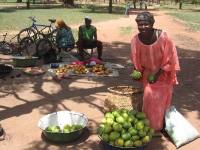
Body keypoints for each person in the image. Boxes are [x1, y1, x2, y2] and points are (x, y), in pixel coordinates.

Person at [131, 12, 180, 133]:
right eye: (140, 24)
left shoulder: (163, 37)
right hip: (148, 76)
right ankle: (152, 127)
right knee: (148, 100)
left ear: (152, 24)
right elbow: (135, 57)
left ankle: (161, 125)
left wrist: (157, 74)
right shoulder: (136, 40)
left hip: (163, 74)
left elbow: (170, 57)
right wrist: (137, 71)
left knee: (162, 102)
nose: (143, 27)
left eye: (146, 24)